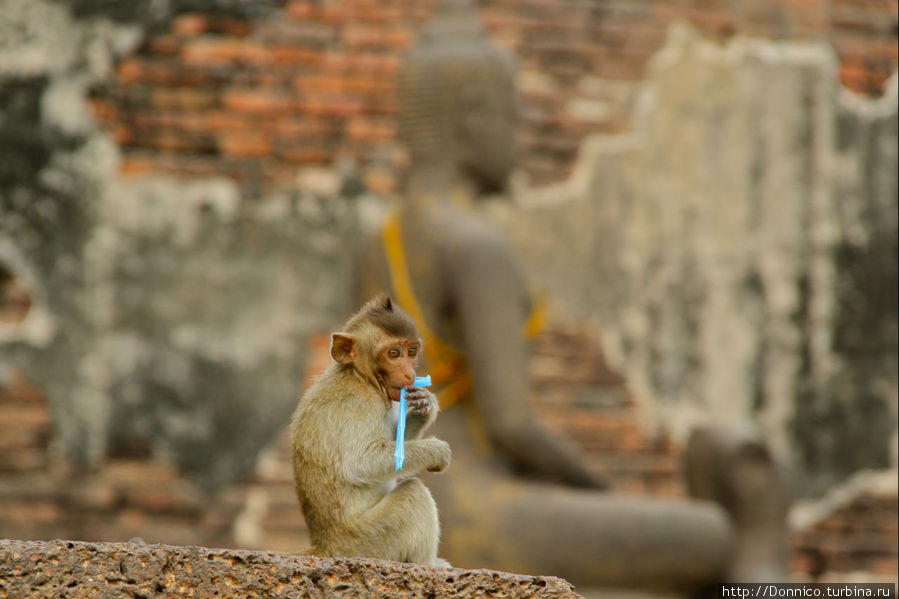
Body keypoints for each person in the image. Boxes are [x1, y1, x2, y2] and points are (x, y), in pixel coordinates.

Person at [352, 0, 789, 590]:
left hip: (392, 509)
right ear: (473, 117)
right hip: (470, 514)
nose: (521, 134)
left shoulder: (381, 241)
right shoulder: (476, 246)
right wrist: (606, 493)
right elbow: (511, 426)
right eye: (513, 113)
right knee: (714, 533)